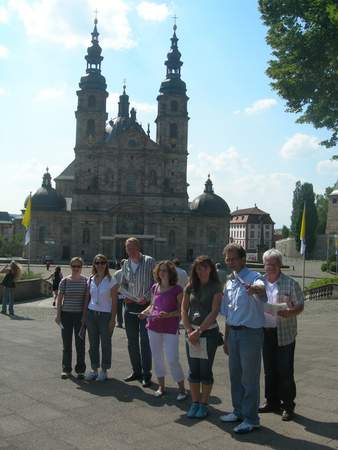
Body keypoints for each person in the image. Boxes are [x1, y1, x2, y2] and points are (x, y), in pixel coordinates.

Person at [220, 243, 267, 434]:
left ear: (243, 259)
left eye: (233, 259)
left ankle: (251, 418)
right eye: (227, 259)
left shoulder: (254, 277)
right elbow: (229, 313)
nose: (230, 262)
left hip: (250, 334)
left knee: (250, 378)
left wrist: (256, 289)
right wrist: (226, 337)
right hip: (234, 333)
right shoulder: (229, 282)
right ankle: (238, 411)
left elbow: (261, 288)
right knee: (235, 376)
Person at [259, 249, 304, 421]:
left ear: (279, 265)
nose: (270, 267)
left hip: (285, 332)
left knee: (285, 371)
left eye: (273, 264)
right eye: (267, 264)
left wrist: (290, 312)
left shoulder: (291, 283)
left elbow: (300, 305)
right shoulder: (260, 283)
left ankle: (288, 405)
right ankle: (271, 402)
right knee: (269, 370)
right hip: (265, 332)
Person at [181, 255, 223, 419]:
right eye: (199, 268)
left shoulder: (216, 287)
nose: (202, 270)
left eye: (205, 267)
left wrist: (199, 332)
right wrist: (189, 329)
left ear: (211, 269)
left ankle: (204, 404)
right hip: (191, 331)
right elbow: (184, 309)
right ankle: (195, 403)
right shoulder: (190, 286)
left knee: (205, 370)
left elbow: (214, 311)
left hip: (208, 332)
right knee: (193, 370)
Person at [140, 260, 187, 400]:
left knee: (173, 359)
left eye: (165, 270)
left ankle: (182, 389)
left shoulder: (177, 289)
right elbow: (152, 306)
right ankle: (161, 386)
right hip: (154, 326)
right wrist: (144, 312)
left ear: (171, 272)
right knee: (157, 357)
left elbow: (182, 310)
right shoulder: (155, 287)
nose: (162, 273)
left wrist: (169, 315)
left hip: (170, 327)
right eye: (160, 270)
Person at [120, 237, 155, 387]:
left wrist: (146, 298)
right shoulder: (125, 263)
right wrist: (125, 295)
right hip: (130, 307)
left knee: (145, 341)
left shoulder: (149, 261)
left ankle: (146, 374)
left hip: (145, 307)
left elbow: (156, 284)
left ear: (138, 247)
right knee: (132, 341)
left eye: (133, 247)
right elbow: (124, 283)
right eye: (128, 248)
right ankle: (136, 371)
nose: (130, 251)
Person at [83, 254, 118, 382]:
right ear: (94, 265)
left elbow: (115, 302)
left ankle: (104, 370)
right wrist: (84, 315)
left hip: (105, 315)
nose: (100, 265)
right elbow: (87, 298)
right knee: (93, 343)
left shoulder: (111, 280)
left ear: (106, 264)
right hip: (91, 314)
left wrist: (113, 319)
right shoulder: (91, 279)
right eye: (97, 263)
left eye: (102, 262)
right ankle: (94, 369)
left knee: (105, 343)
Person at [55, 257, 87, 379]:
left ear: (81, 267)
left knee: (80, 344)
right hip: (66, 315)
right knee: (66, 344)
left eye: (78, 266)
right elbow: (59, 299)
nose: (76, 268)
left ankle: (80, 370)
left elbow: (86, 300)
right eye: (74, 266)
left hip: (79, 316)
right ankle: (66, 369)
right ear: (70, 267)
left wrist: (84, 315)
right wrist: (58, 315)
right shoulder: (65, 281)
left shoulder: (85, 281)